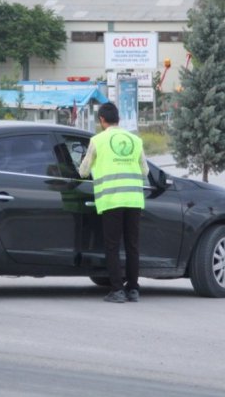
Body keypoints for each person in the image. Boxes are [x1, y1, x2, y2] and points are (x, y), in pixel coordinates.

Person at [79, 102, 149, 303]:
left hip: (111, 199)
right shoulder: (135, 140)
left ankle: (117, 290)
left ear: (102, 120)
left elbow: (83, 171)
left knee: (112, 246)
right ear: (118, 118)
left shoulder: (97, 140)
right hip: (134, 199)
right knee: (132, 245)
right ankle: (134, 289)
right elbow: (145, 171)